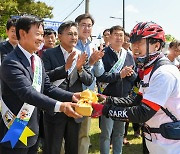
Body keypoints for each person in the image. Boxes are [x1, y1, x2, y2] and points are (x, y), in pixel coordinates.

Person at [0, 15, 82, 154]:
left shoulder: (37, 60)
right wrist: (61, 106)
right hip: (14, 129)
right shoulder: (11, 62)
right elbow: (27, 93)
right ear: (22, 33)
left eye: (42, 34)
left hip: (33, 128)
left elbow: (47, 87)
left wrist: (73, 96)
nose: (41, 39)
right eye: (37, 34)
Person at [101, 22, 180, 154]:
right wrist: (107, 99)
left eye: (140, 42)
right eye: (133, 42)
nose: (135, 47)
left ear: (157, 45)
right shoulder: (151, 69)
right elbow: (136, 100)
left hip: (170, 145)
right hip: (154, 140)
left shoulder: (164, 73)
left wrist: (105, 110)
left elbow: (142, 113)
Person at [42, 21, 94, 154]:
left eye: (76, 34)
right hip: (56, 107)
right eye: (70, 34)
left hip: (75, 108)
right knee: (53, 147)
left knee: (73, 147)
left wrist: (80, 68)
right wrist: (64, 68)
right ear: (59, 36)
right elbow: (44, 78)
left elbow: (89, 80)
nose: (74, 37)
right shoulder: (49, 54)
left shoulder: (80, 54)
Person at [97, 25, 137, 154]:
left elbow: (135, 78)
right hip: (107, 99)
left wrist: (131, 74)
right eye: (116, 34)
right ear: (110, 36)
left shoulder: (129, 55)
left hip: (123, 100)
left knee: (120, 132)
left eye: (121, 35)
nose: (119, 37)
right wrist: (119, 74)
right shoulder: (104, 54)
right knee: (106, 133)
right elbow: (101, 76)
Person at [75, 13, 104, 154]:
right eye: (83, 25)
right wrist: (91, 62)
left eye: (89, 25)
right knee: (68, 132)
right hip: (73, 93)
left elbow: (99, 73)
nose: (86, 28)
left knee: (84, 133)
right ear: (77, 26)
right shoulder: (72, 44)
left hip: (89, 96)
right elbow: (74, 71)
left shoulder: (94, 45)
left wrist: (97, 61)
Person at [122, 32, 141, 145]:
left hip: (137, 86)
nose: (126, 41)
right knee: (126, 112)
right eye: (125, 39)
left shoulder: (133, 54)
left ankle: (137, 129)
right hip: (125, 87)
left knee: (136, 108)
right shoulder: (126, 55)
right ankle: (123, 136)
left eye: (128, 40)